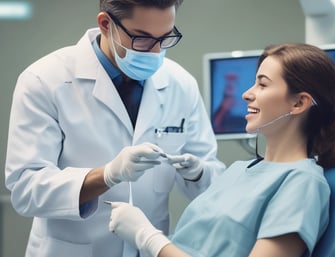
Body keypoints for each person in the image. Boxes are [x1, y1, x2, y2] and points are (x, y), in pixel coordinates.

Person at [4, 1, 225, 257]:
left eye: (165, 38)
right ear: (106, 24)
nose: (155, 52)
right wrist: (107, 175)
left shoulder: (181, 84)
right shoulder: (44, 80)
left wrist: (198, 173)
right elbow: (26, 189)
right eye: (142, 39)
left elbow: (212, 184)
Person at [108, 43, 335, 257]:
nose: (247, 94)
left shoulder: (302, 183)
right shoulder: (241, 169)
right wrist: (198, 174)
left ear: (299, 103)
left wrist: (147, 237)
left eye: (262, 84)